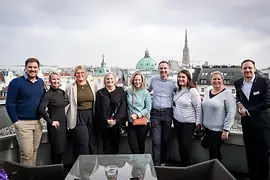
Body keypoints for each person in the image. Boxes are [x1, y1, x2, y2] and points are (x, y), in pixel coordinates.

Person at [234, 59, 270, 180]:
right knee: (250, 155)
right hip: (247, 125)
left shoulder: (264, 81)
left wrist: (248, 112)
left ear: (254, 69)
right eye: (245, 68)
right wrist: (238, 103)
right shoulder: (238, 83)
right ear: (241, 70)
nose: (247, 70)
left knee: (263, 156)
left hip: (262, 125)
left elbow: (267, 102)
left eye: (250, 68)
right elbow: (238, 95)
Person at [6, 58, 44, 166]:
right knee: (27, 154)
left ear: (38, 68)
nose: (32, 69)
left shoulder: (40, 82)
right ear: (26, 68)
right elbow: (10, 103)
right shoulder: (16, 82)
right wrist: (15, 121)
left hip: (38, 122)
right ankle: (26, 176)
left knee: (34, 151)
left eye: (35, 67)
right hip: (23, 123)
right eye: (30, 67)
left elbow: (43, 99)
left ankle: (32, 175)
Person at [201, 71, 236, 162]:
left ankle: (216, 173)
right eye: (214, 79)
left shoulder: (227, 94)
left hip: (218, 131)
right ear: (211, 80)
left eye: (218, 79)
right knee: (211, 152)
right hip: (207, 129)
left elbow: (231, 112)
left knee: (215, 154)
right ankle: (213, 172)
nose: (216, 81)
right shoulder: (207, 92)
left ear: (222, 80)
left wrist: (226, 129)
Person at [65, 65, 97, 160]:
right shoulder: (70, 87)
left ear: (86, 74)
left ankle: (91, 169)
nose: (80, 75)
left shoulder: (92, 84)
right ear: (75, 75)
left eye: (82, 73)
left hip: (91, 116)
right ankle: (83, 170)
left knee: (92, 144)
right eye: (77, 73)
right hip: (78, 117)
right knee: (83, 145)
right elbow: (65, 101)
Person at [148, 61, 176, 166]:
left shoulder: (174, 81)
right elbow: (147, 91)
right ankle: (156, 164)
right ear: (158, 69)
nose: (163, 70)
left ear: (168, 69)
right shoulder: (153, 79)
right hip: (155, 113)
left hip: (168, 113)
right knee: (156, 141)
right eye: (161, 68)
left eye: (165, 68)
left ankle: (163, 162)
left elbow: (181, 92)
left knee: (165, 139)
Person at [173, 70, 202, 166]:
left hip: (189, 123)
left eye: (183, 77)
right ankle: (183, 163)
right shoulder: (177, 90)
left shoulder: (192, 91)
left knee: (185, 144)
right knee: (180, 144)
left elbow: (198, 107)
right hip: (177, 121)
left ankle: (186, 165)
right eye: (179, 77)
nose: (180, 79)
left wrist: (199, 123)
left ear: (188, 79)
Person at [39, 72, 68, 164]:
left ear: (60, 81)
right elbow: (41, 109)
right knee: (56, 150)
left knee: (62, 149)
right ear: (50, 81)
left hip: (63, 125)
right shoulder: (48, 94)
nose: (56, 81)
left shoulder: (62, 92)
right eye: (54, 79)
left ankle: (61, 170)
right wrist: (50, 122)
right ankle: (56, 171)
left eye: (57, 79)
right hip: (55, 126)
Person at [95, 72, 126, 154]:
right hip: (104, 125)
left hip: (117, 125)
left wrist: (116, 120)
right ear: (104, 81)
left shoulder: (120, 91)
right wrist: (106, 121)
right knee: (106, 148)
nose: (110, 80)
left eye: (112, 78)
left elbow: (123, 106)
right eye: (107, 79)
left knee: (115, 147)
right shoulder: (100, 93)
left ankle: (114, 166)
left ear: (115, 80)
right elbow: (98, 109)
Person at [126, 72, 151, 154]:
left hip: (142, 123)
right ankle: (138, 163)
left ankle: (140, 165)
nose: (137, 82)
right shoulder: (128, 91)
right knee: (132, 145)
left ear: (142, 81)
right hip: (131, 123)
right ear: (133, 80)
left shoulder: (145, 92)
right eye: (136, 80)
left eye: (139, 80)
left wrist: (137, 115)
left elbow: (148, 108)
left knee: (141, 145)